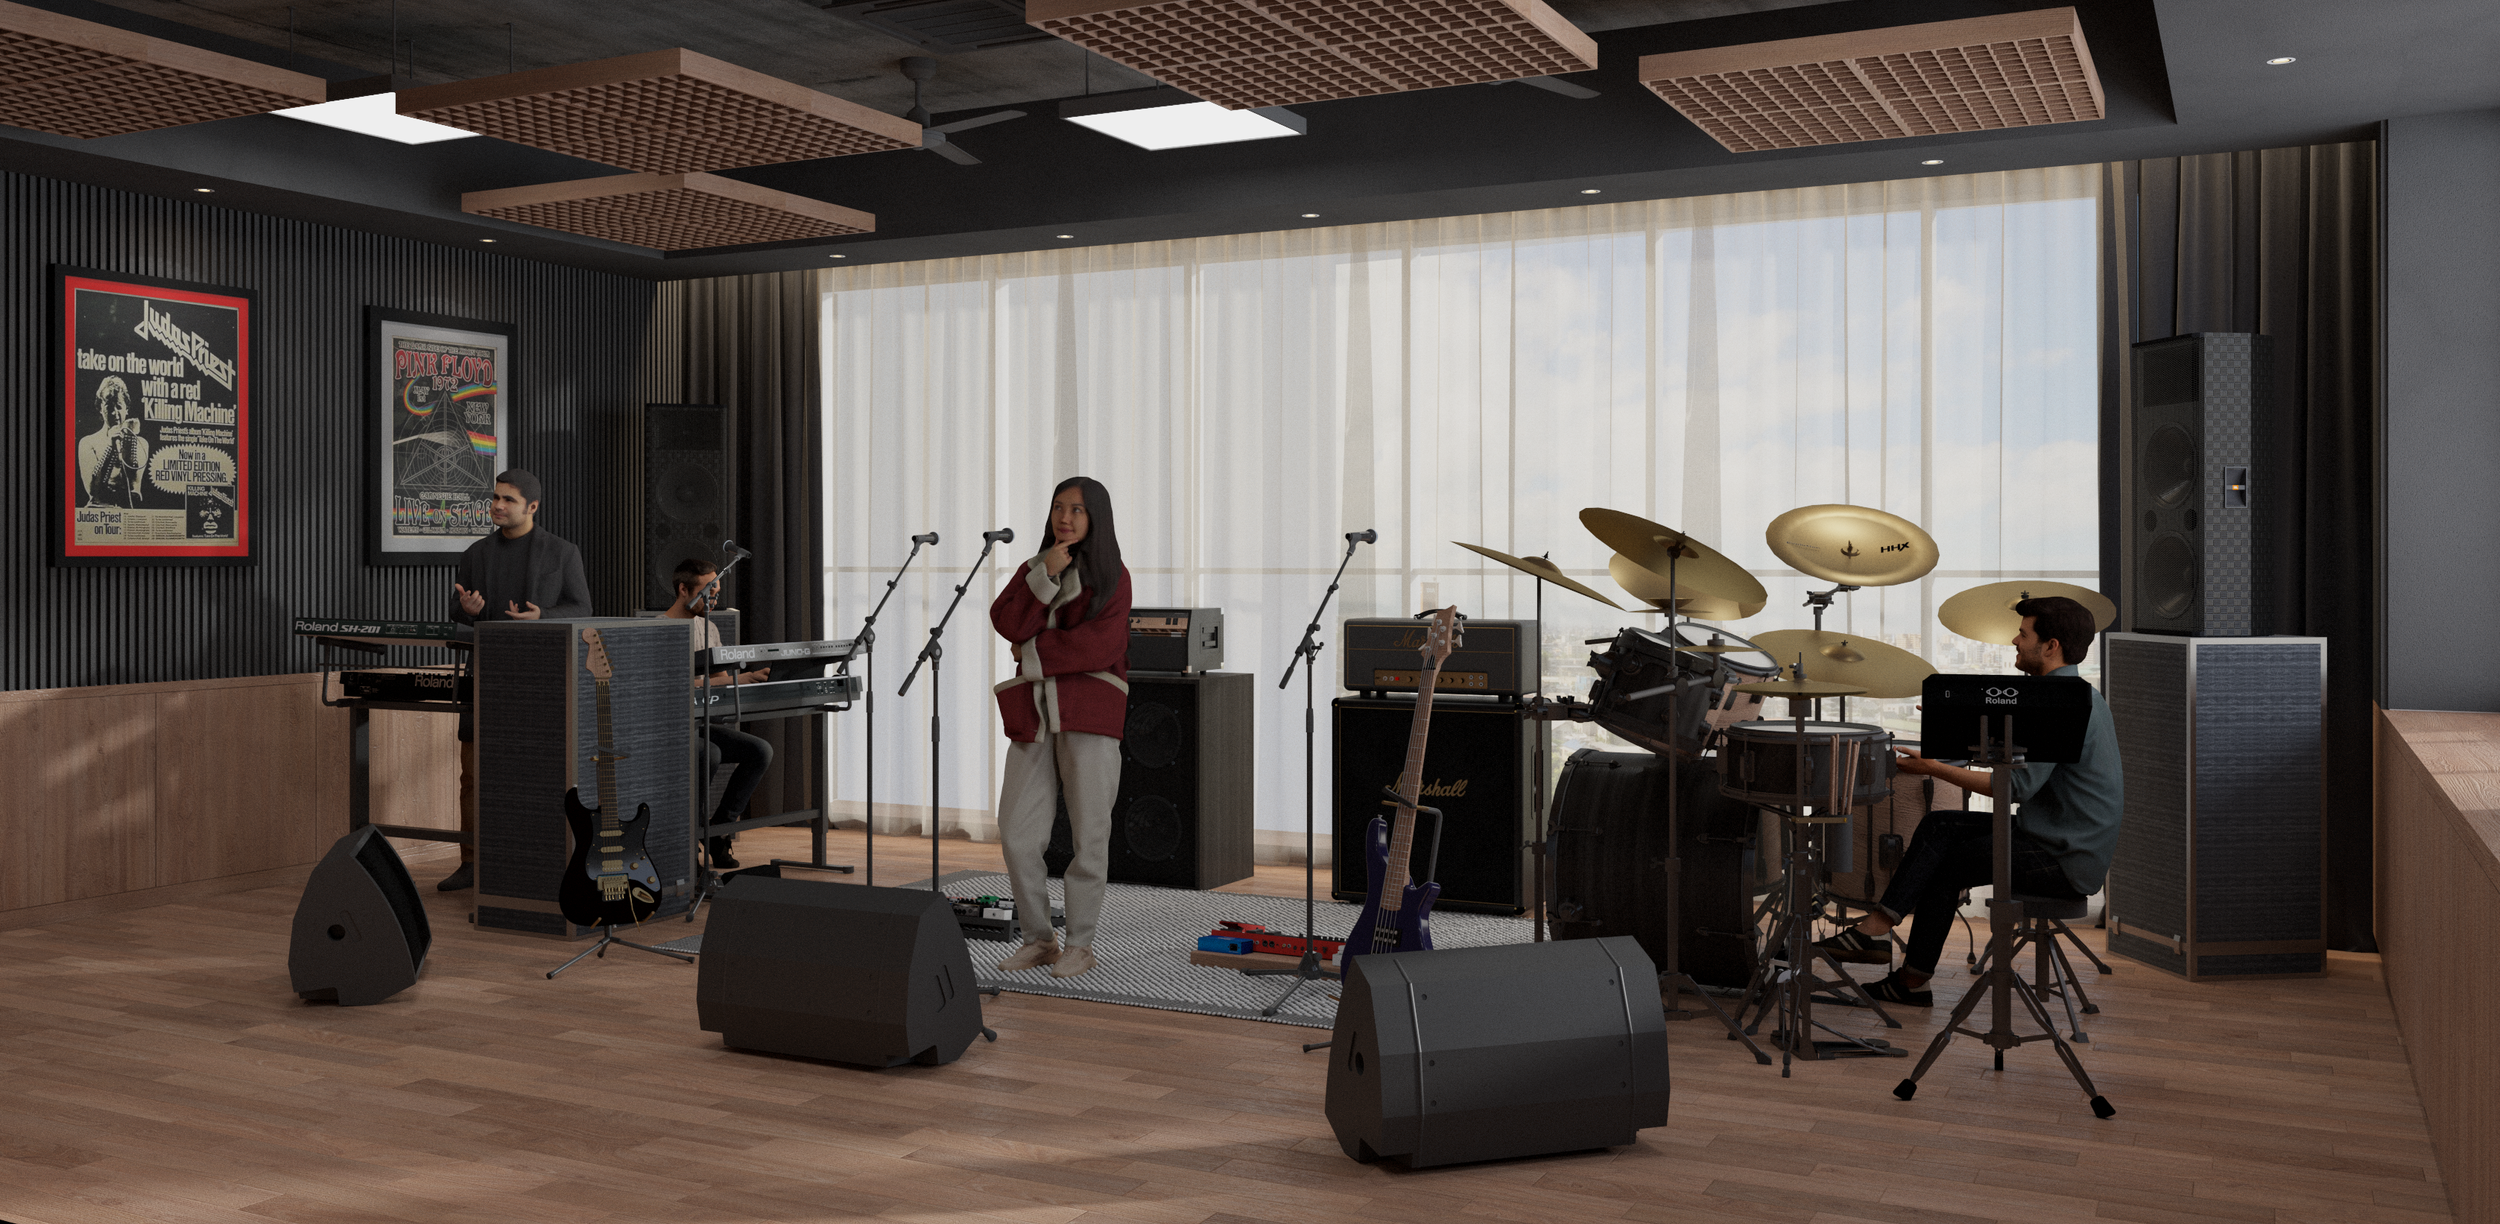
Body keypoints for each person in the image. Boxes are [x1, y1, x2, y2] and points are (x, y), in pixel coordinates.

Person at [1810, 596, 2123, 1005]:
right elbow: (2015, 747)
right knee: (1940, 825)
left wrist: (1933, 767)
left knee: (1949, 865)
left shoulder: (2058, 705)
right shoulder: (2071, 694)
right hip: (2055, 834)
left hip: (2066, 856)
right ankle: (1880, 928)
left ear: (2051, 646)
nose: (2015, 640)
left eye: (2023, 634)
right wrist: (1951, 721)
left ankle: (1908, 977)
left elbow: (2013, 789)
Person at [987, 477, 1131, 980]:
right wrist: (1044, 574)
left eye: (1077, 510)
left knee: (1090, 833)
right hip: (1035, 716)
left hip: (1089, 712)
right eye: (1058, 508)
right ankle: (1039, 940)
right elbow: (1006, 621)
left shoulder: (1114, 576)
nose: (1065, 518)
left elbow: (1099, 647)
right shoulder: (1036, 567)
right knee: (1015, 832)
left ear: (1096, 518)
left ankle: (1081, 945)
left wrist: (1028, 652)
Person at [437, 469, 595, 891]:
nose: (498, 506)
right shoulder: (476, 553)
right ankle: (471, 862)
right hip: (486, 677)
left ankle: (538, 859)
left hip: (541, 681)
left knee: (537, 776)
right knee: (473, 776)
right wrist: (467, 609)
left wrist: (543, 616)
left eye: (508, 499)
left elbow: (582, 608)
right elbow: (456, 609)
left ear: (532, 507)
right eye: (495, 498)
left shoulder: (562, 552)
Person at [662, 557, 774, 869]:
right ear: (683, 590)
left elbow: (718, 679)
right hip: (672, 728)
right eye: (708, 590)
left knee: (760, 751)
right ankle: (688, 841)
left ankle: (718, 831)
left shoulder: (709, 627)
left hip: (700, 724)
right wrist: (738, 679)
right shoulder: (660, 629)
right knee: (708, 753)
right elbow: (676, 684)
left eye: (717, 591)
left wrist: (748, 679)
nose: (714, 597)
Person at [78, 376, 147, 508]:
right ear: (100, 408)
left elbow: (134, 489)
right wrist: (110, 447)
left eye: (119, 406)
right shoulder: (87, 442)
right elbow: (93, 491)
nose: (115, 413)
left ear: (127, 409)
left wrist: (130, 440)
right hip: (98, 513)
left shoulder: (141, 443)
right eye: (109, 407)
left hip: (127, 513)